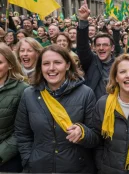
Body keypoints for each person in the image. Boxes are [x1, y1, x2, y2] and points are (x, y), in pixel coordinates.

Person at [15, 45, 97, 173]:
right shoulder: (28, 94)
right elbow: (22, 134)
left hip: (76, 168)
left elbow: (96, 136)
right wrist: (29, 159)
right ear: (40, 67)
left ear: (68, 65)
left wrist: (83, 133)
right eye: (46, 63)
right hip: (39, 168)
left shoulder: (86, 94)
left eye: (57, 62)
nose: (51, 68)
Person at [76, 0, 122, 99]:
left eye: (105, 45)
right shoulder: (91, 61)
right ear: (94, 47)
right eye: (98, 45)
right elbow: (82, 46)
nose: (101, 48)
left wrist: (116, 32)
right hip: (94, 109)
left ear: (112, 48)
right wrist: (83, 20)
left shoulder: (119, 64)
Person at [0, 44, 28, 172]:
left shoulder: (23, 90)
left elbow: (22, 130)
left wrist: (1, 154)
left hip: (7, 159)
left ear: (10, 65)